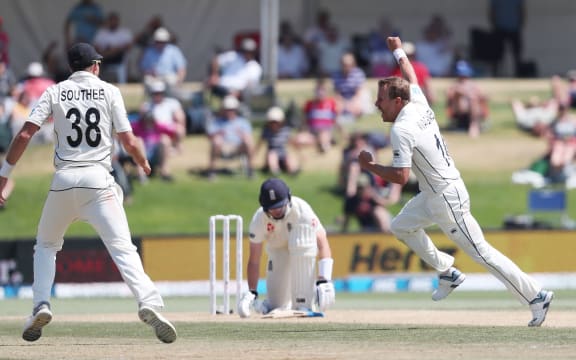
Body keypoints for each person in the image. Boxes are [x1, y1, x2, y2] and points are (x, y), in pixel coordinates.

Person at [357, 36, 554, 327]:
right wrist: (398, 50)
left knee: (482, 253)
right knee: (400, 226)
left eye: (381, 100)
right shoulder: (417, 100)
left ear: (398, 101)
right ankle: (447, 271)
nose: (376, 104)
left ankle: (536, 296)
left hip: (446, 197)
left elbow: (400, 177)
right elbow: (410, 76)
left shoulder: (402, 128)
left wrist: (370, 166)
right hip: (433, 193)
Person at [0, 43, 177, 343]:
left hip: (64, 181)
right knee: (123, 247)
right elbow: (128, 139)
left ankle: (41, 304)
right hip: (98, 181)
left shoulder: (55, 92)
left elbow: (26, 133)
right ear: (95, 65)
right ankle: (148, 301)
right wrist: (143, 161)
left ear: (71, 66)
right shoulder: (110, 91)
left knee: (45, 246)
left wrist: (4, 175)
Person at [237, 178, 335, 318]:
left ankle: (304, 301)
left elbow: (322, 241)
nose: (277, 211)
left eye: (280, 206)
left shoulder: (302, 210)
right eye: (272, 208)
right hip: (277, 253)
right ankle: (273, 304)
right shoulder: (259, 219)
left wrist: (324, 279)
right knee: (275, 306)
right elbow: (254, 259)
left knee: (301, 241)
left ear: (288, 198)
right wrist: (252, 290)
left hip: (302, 250)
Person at [205, 95, 255, 180]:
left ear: (236, 110)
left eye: (231, 109)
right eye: (227, 109)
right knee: (217, 141)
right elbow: (209, 136)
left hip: (237, 147)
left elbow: (248, 137)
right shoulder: (217, 122)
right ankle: (212, 172)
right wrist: (218, 134)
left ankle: (250, 170)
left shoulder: (243, 122)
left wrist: (242, 135)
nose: (229, 111)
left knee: (248, 142)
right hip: (222, 147)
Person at [445, 60, 488, 137]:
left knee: (473, 99)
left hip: (474, 109)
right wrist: (462, 93)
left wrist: (474, 95)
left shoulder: (473, 85)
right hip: (459, 110)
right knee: (464, 96)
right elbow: (449, 96)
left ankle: (474, 124)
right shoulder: (454, 85)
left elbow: (483, 97)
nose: (463, 78)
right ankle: (473, 125)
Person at [255, 106, 299, 176]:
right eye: (272, 122)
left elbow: (292, 143)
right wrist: (254, 156)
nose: (274, 124)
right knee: (272, 155)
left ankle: (292, 170)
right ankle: (275, 171)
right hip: (271, 155)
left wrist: (298, 154)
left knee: (288, 157)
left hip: (282, 154)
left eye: (276, 122)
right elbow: (259, 144)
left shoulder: (286, 130)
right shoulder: (266, 131)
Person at [92, 12, 134, 84]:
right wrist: (107, 53)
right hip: (105, 58)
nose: (113, 22)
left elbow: (129, 46)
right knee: (95, 61)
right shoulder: (102, 32)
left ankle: (123, 85)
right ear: (108, 21)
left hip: (119, 60)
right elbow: (96, 47)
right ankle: (98, 85)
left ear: (118, 21)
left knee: (125, 62)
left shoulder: (124, 32)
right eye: (111, 20)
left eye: (115, 20)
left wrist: (115, 50)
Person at [488, 0, 525, 77]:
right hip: (499, 28)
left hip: (514, 28)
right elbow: (492, 10)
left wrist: (520, 24)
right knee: (497, 53)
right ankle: (496, 74)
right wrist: (494, 24)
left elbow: (521, 10)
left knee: (517, 53)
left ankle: (519, 73)